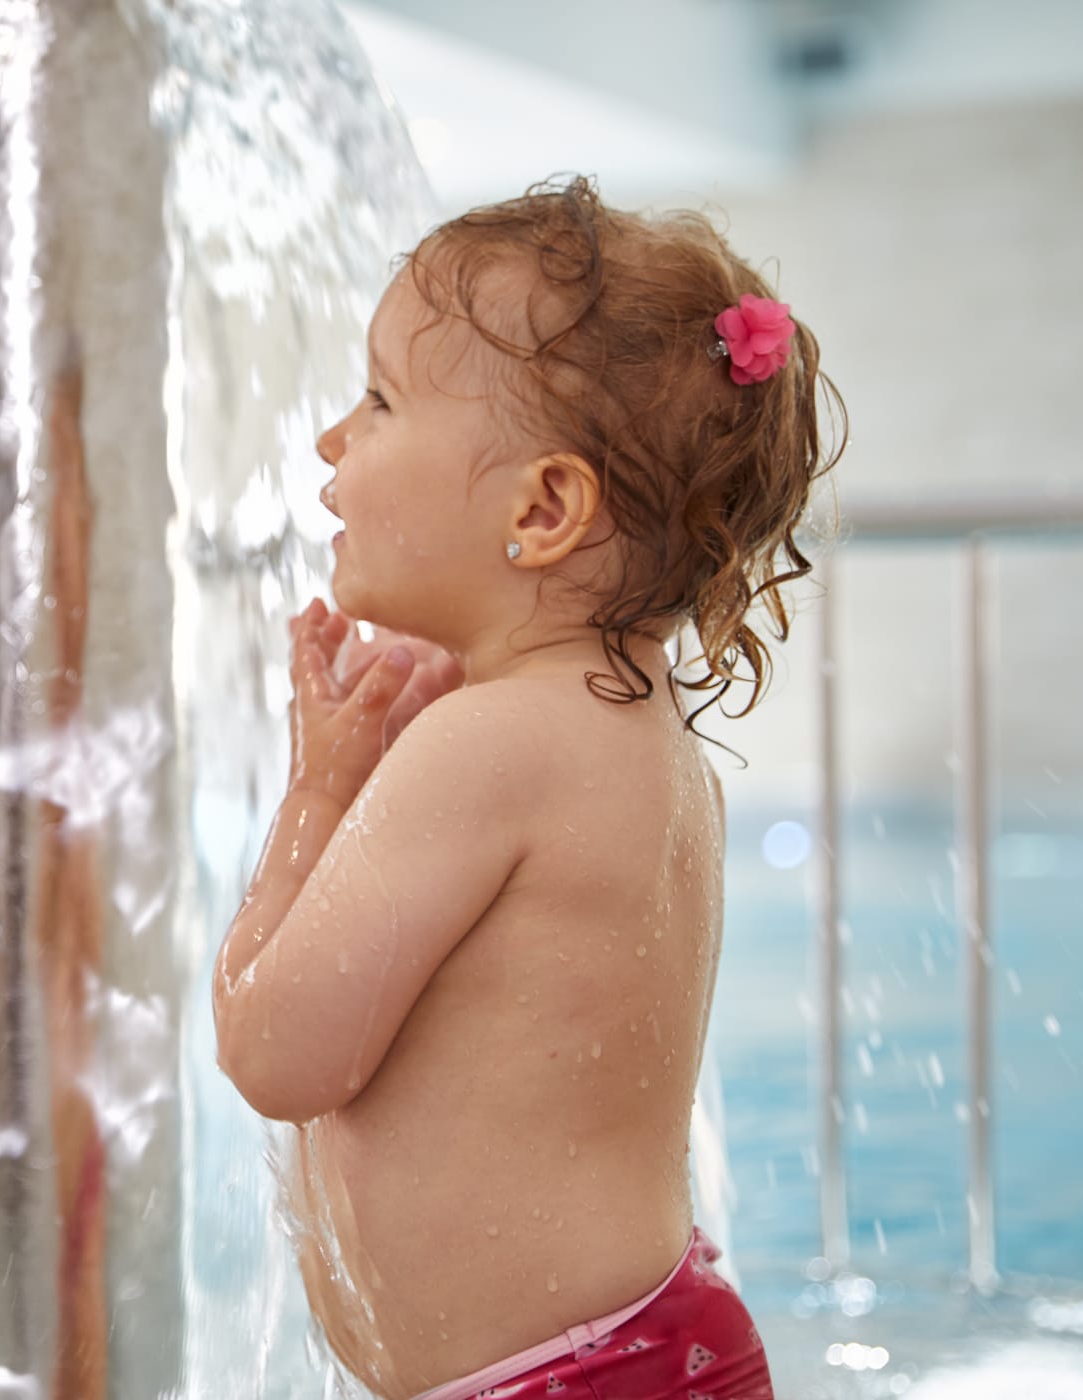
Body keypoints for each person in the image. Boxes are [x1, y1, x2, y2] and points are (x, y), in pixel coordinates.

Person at [211, 176, 843, 1400]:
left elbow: (276, 1051)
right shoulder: (628, 730)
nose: (336, 438)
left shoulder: (488, 747)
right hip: (649, 1344)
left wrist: (319, 784)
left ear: (544, 507)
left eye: (381, 399)